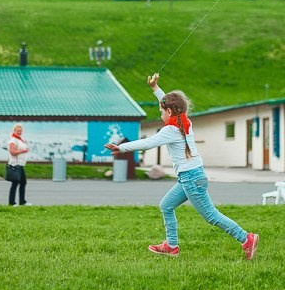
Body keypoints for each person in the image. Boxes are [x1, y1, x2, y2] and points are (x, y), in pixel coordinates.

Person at [106, 73, 259, 260]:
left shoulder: (170, 130)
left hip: (191, 178)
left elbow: (148, 143)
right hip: (191, 177)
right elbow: (169, 102)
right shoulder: (184, 120)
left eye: (162, 111)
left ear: (169, 112)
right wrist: (155, 88)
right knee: (166, 206)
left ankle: (246, 238)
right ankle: (171, 245)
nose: (161, 114)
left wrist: (121, 147)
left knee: (211, 216)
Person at [7, 124, 30, 206]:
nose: (19, 132)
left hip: (21, 164)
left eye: (20, 131)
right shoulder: (13, 140)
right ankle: (11, 202)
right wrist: (22, 151)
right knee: (15, 183)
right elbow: (12, 152)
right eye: (18, 131)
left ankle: (22, 201)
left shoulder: (20, 139)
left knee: (23, 182)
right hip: (15, 165)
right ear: (14, 131)